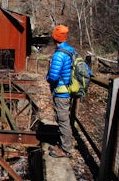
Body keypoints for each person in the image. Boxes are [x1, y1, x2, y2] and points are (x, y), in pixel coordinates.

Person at [46, 25, 74, 158]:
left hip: (61, 92)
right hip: (67, 89)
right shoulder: (70, 50)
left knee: (62, 119)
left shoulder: (59, 54)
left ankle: (66, 150)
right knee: (63, 118)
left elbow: (53, 77)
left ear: (55, 38)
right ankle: (64, 144)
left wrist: (47, 77)